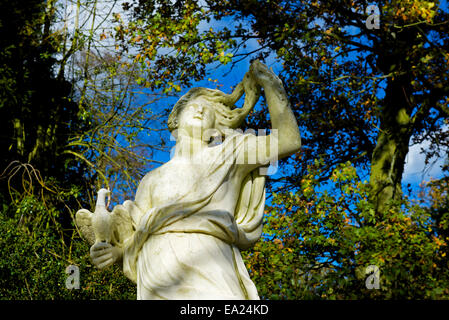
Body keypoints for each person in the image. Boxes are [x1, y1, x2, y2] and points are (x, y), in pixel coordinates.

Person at [79, 60, 301, 299]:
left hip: (212, 262)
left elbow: (288, 141)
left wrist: (271, 85)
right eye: (193, 106)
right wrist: (117, 253)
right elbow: (137, 235)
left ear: (217, 127)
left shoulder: (232, 154)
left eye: (208, 110)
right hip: (158, 272)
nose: (201, 110)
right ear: (175, 121)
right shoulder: (152, 179)